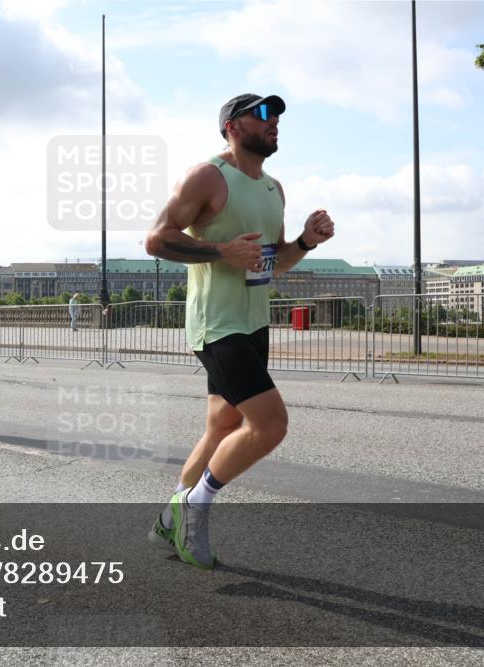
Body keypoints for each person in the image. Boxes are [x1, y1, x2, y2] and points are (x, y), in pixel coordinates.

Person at [144, 93, 335, 569]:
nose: (274, 123)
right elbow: (157, 239)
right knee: (270, 425)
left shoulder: (274, 189)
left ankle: (170, 518)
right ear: (232, 126)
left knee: (224, 426)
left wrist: (305, 243)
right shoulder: (208, 176)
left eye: (278, 117)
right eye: (264, 114)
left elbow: (273, 264)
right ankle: (196, 504)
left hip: (253, 322)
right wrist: (219, 252)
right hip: (217, 323)